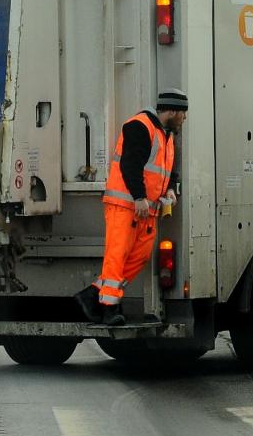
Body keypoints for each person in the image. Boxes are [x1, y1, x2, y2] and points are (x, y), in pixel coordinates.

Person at [75, 88, 188, 325]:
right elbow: (130, 165)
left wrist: (170, 187)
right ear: (173, 111)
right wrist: (138, 197)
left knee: (139, 256)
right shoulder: (139, 126)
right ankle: (109, 308)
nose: (185, 118)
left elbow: (168, 169)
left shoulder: (166, 134)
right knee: (117, 256)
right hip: (126, 205)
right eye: (183, 113)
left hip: (146, 209)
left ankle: (94, 294)